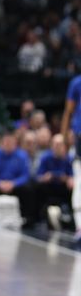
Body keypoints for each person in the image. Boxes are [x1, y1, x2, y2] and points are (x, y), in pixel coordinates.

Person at [60, 74, 81, 245]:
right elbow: (68, 111)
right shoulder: (77, 82)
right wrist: (64, 136)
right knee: (80, 180)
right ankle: (80, 226)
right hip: (80, 135)